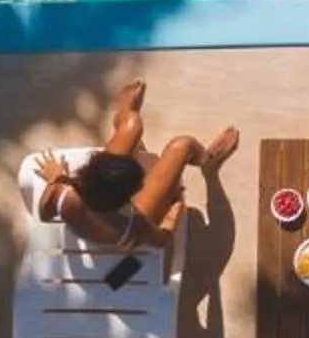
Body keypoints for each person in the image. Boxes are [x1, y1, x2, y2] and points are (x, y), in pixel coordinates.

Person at [18, 81, 237, 250]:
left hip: (95, 206)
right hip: (118, 242)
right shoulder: (134, 224)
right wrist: (172, 214)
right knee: (183, 145)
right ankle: (207, 162)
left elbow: (44, 214)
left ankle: (125, 119)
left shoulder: (66, 198)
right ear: (130, 197)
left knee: (132, 126)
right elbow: (161, 241)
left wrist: (56, 178)